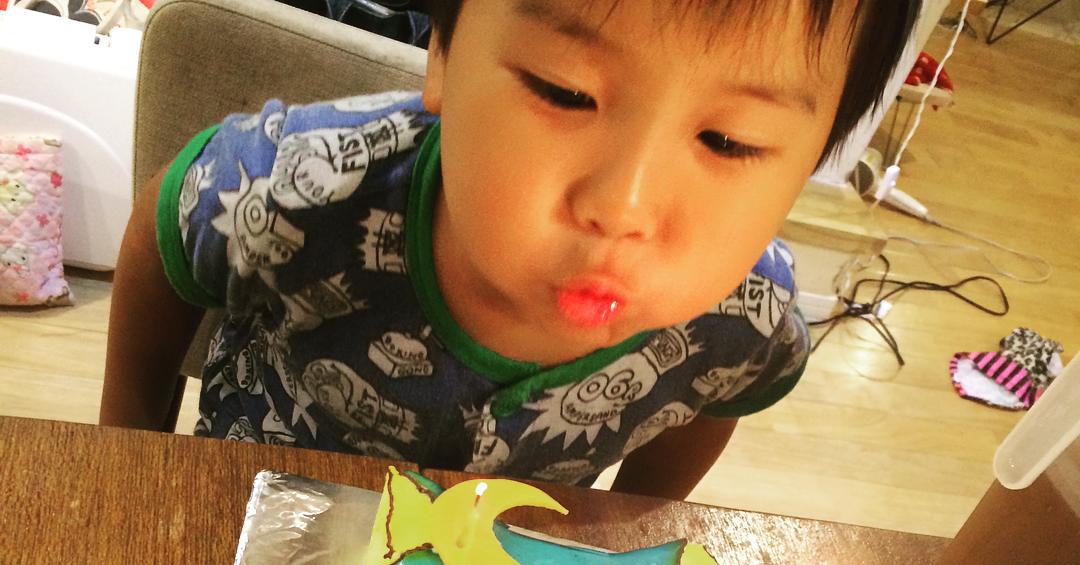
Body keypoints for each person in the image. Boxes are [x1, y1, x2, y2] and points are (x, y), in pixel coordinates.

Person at [99, 0, 919, 498]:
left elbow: (723, 387)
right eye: (566, 91)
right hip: (236, 526)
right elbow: (166, 228)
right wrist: (128, 446)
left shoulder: (746, 315)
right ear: (444, 51)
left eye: (730, 140)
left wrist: (635, 523)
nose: (622, 209)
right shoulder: (295, 189)